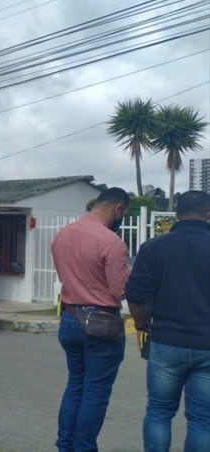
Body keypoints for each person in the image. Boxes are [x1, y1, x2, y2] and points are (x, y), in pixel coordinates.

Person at [125, 190, 210, 452]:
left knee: (159, 412)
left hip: (165, 341)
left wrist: (141, 326)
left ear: (176, 214)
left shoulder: (153, 248)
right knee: (202, 420)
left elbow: (136, 296)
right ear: (209, 214)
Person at [51, 187, 131, 452]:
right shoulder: (112, 242)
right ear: (118, 209)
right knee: (95, 392)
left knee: (75, 385)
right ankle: (84, 448)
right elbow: (119, 290)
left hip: (70, 316)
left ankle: (65, 445)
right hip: (101, 322)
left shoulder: (62, 236)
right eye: (123, 214)